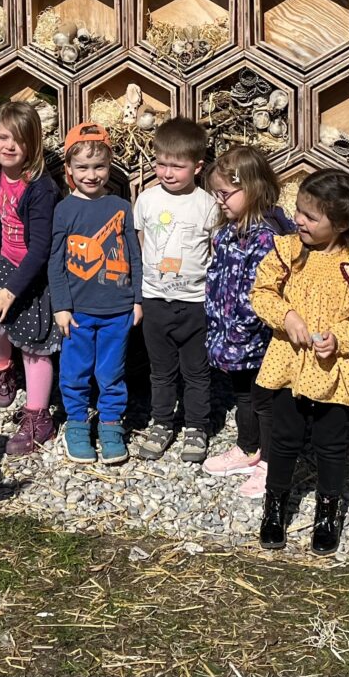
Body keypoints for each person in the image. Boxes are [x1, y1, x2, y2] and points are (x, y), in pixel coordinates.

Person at [252, 169, 349, 555]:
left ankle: (328, 509)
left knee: (331, 443)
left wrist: (340, 339)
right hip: (289, 362)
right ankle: (274, 505)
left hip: (335, 369)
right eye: (298, 212)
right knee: (285, 437)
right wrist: (287, 316)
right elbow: (262, 293)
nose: (300, 221)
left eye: (311, 216)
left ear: (341, 223)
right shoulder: (287, 250)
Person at [201, 146, 295, 498]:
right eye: (216, 193)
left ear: (252, 188)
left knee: (265, 401)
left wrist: (242, 328)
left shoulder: (267, 236)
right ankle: (246, 447)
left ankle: (271, 462)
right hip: (231, 336)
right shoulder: (228, 232)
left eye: (225, 193)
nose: (219, 200)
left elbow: (264, 293)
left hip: (260, 339)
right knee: (242, 395)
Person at [48, 123, 142, 465]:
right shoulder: (64, 210)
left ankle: (111, 424)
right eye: (83, 168)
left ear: (110, 166)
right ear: (69, 170)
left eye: (99, 167)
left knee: (111, 371)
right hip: (78, 312)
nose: (91, 175)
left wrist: (137, 299)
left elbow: (133, 254)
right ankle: (76, 424)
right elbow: (55, 262)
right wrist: (61, 306)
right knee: (75, 371)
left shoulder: (120, 206)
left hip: (117, 309)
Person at [0, 100, 61, 455]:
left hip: (34, 271)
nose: (9, 146)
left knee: (35, 346)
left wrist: (13, 291)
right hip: (6, 263)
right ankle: (2, 366)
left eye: (19, 141)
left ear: (33, 147)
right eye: (3, 137)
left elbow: (41, 248)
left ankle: (38, 417)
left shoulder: (40, 189)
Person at [132, 118, 218, 463]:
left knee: (196, 370)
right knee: (161, 368)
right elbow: (140, 241)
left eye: (177, 166)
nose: (167, 172)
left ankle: (197, 425)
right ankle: (162, 422)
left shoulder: (207, 205)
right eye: (161, 163)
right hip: (155, 300)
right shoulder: (147, 199)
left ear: (197, 167)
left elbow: (213, 249)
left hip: (195, 302)